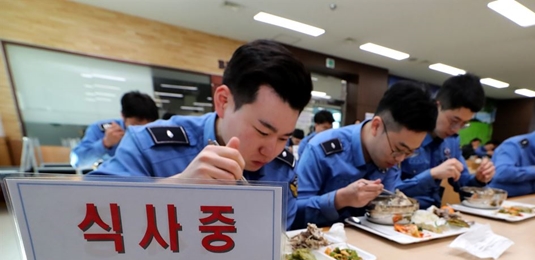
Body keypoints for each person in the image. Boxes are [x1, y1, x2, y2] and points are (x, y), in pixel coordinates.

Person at [90, 40, 313, 229]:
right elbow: (78, 213)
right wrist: (176, 188)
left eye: (284, 137)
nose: (270, 151)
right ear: (223, 101)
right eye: (262, 131)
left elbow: (279, 237)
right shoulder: (150, 145)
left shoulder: (282, 166)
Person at [294, 81, 438, 227]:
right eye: (398, 149)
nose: (400, 159)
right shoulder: (321, 148)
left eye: (409, 153)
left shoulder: (391, 158)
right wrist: (340, 199)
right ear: (376, 126)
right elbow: (292, 213)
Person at [396, 74, 494, 209]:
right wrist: (432, 175)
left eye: (463, 124)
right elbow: (389, 190)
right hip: (399, 213)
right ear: (437, 107)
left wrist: (479, 179)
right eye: (454, 121)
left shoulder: (451, 142)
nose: (456, 130)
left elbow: (462, 184)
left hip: (434, 215)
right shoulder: (407, 134)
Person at [71, 91, 158, 168]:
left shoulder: (157, 130)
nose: (140, 131)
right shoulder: (101, 130)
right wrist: (105, 143)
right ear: (123, 116)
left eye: (146, 127)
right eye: (136, 125)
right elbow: (77, 162)